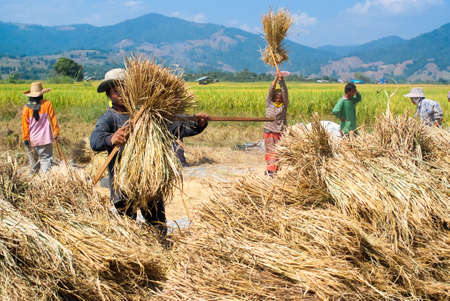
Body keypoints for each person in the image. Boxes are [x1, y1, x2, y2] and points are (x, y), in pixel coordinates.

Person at [90, 68, 208, 237]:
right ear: (110, 94)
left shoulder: (149, 115)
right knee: (127, 228)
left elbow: (177, 127)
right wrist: (111, 139)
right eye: (116, 90)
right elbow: (95, 140)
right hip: (123, 184)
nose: (121, 93)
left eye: (125, 87)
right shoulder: (110, 117)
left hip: (150, 182)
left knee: (158, 226)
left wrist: (198, 124)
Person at [22, 82, 59, 174]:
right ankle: (44, 181)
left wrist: (26, 139)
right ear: (41, 94)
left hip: (32, 140)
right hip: (45, 139)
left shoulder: (26, 108)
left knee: (33, 164)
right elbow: (53, 119)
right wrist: (56, 132)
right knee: (46, 160)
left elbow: (25, 125)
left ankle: (31, 182)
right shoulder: (47, 104)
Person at [264, 71, 288, 177]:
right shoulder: (269, 104)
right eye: (276, 97)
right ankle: (270, 171)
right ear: (273, 97)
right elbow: (270, 91)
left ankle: (275, 170)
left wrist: (281, 81)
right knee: (270, 151)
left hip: (280, 131)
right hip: (269, 131)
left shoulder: (284, 106)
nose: (278, 98)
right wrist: (275, 79)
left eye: (280, 97)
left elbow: (285, 92)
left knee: (279, 152)